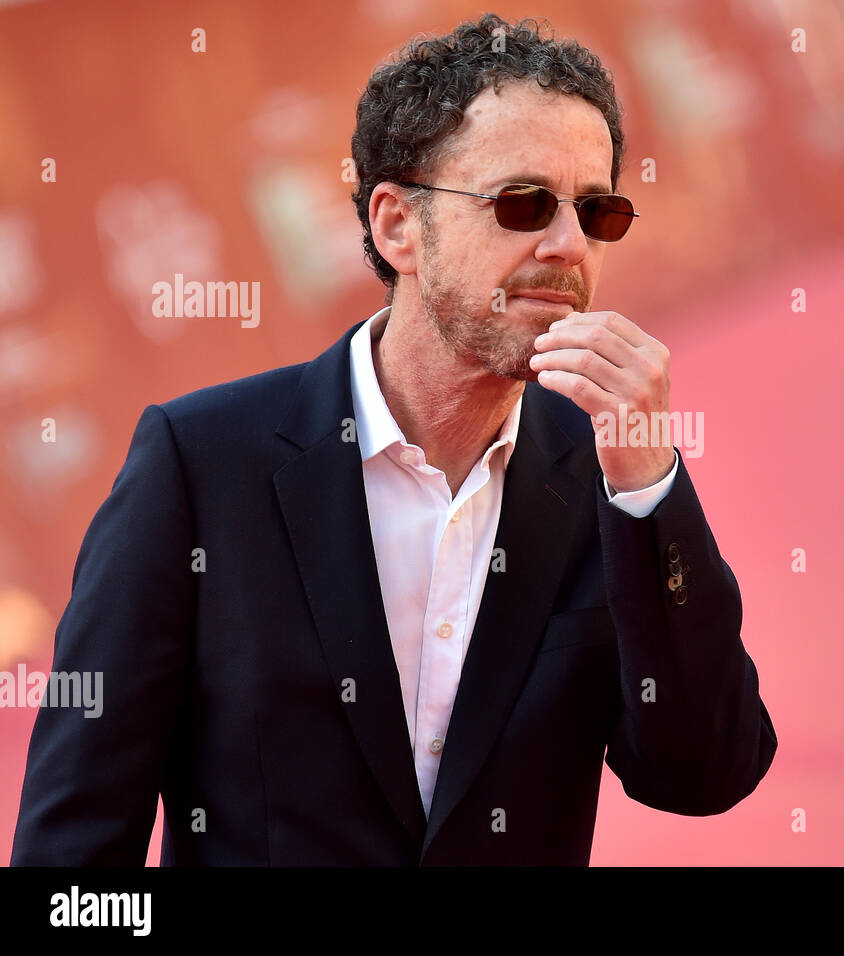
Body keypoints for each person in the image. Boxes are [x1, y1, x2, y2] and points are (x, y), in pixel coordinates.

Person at [11, 13, 777, 866]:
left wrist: (648, 491)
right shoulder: (200, 468)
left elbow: (703, 774)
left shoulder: (604, 477)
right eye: (522, 203)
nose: (568, 245)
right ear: (396, 227)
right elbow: (68, 862)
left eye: (595, 210)